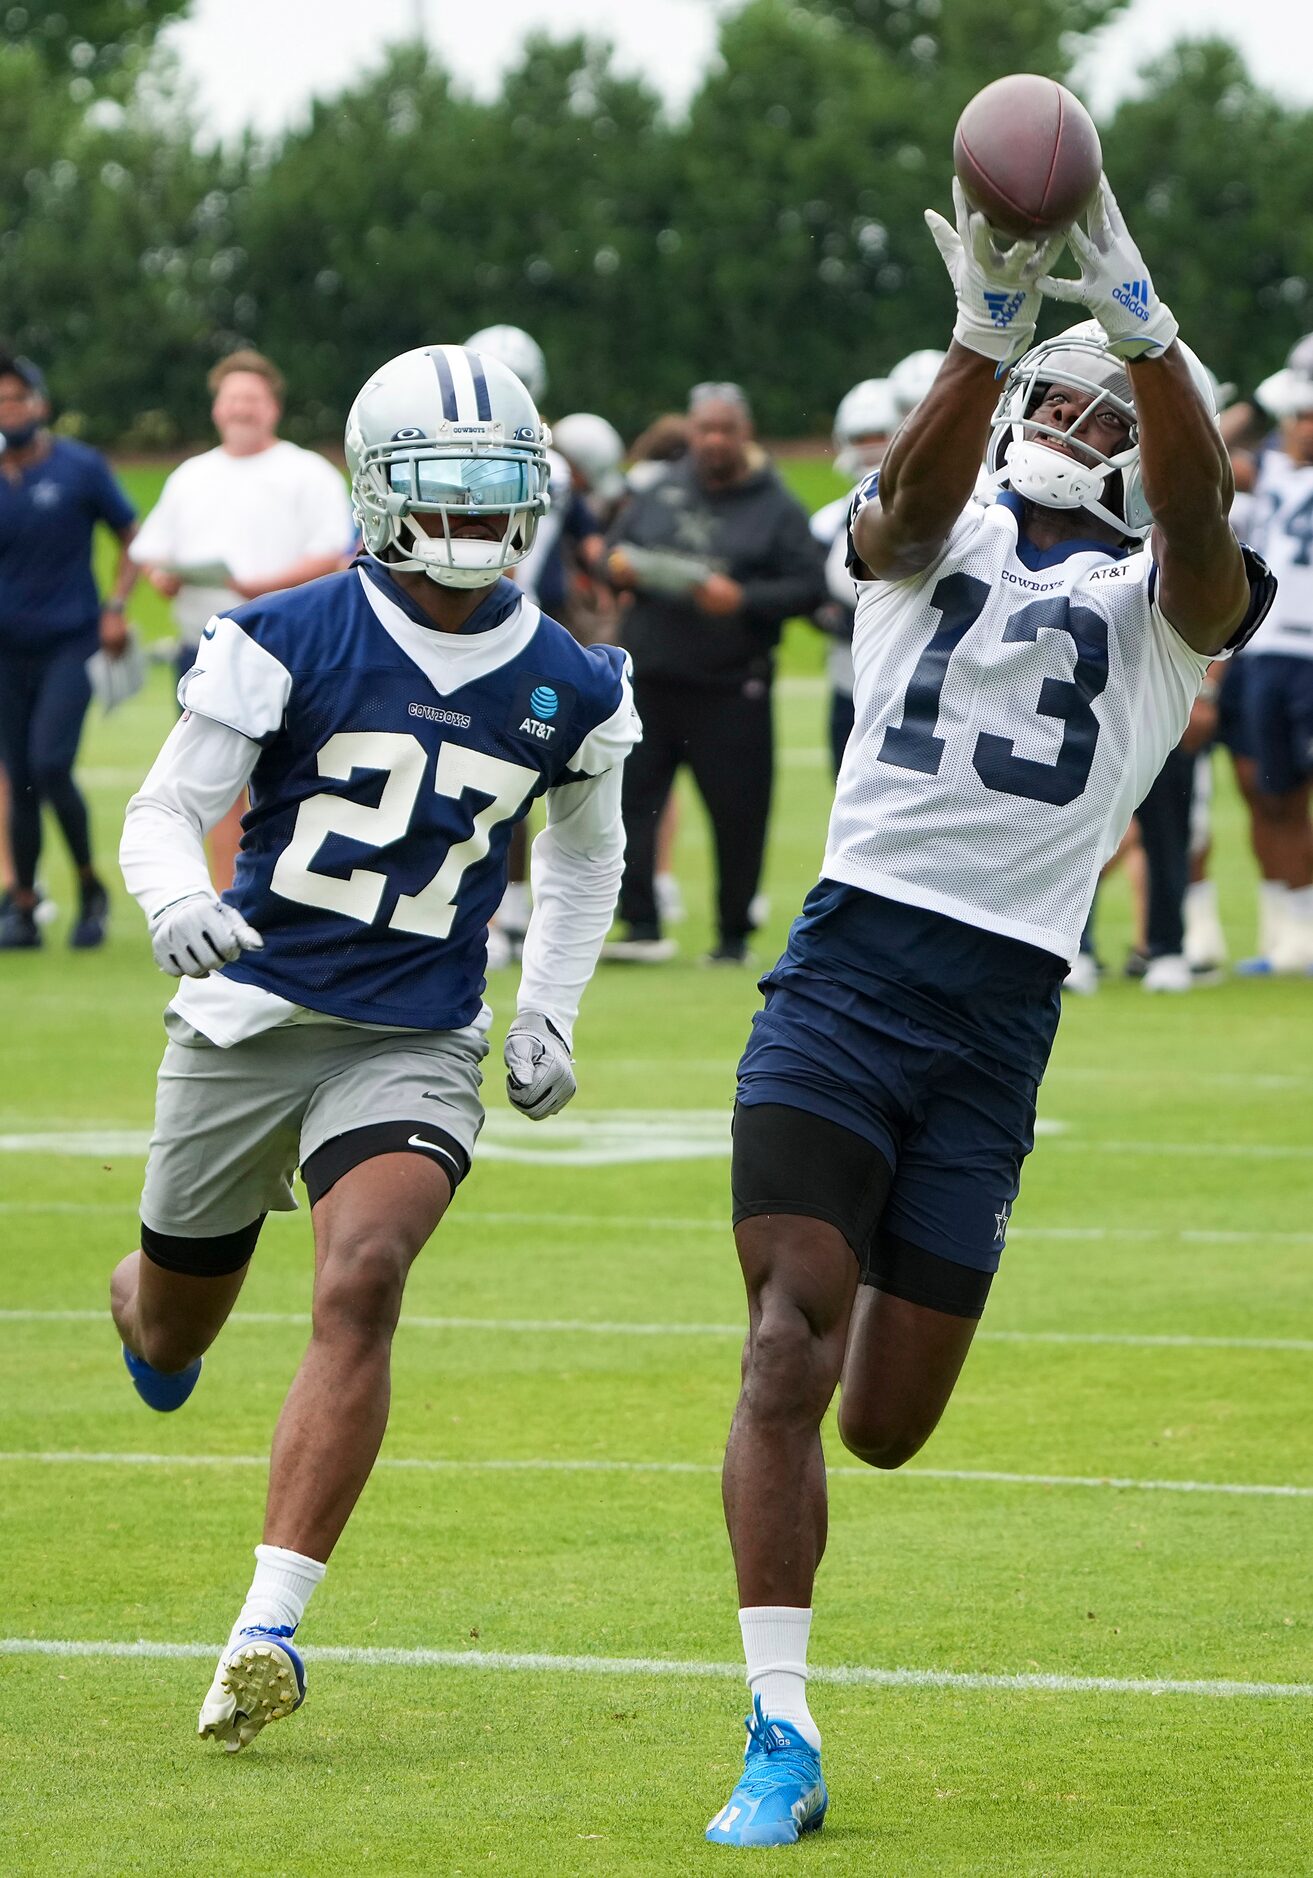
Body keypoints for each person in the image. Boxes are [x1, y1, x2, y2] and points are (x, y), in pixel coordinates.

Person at [705, 178, 1273, 1847]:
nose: (1073, 414)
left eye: (1108, 407)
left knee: (881, 1421)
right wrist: (984, 331)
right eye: (1064, 388)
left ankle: (787, 1687)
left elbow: (1201, 524)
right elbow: (896, 507)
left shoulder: (1170, 614)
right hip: (848, 970)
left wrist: (1140, 324)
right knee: (783, 1329)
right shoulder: (920, 534)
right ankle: (778, 1725)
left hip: (998, 1016)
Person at [112, 343, 637, 1752]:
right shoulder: (283, 635)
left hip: (409, 1031)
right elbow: (164, 812)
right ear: (377, 489)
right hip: (247, 1014)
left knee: (367, 1272)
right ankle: (143, 1302)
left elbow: (587, 862)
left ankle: (266, 1625)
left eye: (495, 489)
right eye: (443, 487)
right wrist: (178, 902)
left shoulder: (569, 679)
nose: (472, 516)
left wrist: (547, 1007)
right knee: (174, 1326)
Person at [603, 382, 826, 964]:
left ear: (744, 433)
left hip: (731, 685)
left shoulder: (775, 505)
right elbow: (613, 551)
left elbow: (809, 586)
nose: (714, 441)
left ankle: (732, 935)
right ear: (691, 431)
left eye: (726, 430)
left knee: (739, 812)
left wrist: (746, 599)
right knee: (631, 805)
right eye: (705, 429)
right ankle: (641, 924)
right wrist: (623, 570)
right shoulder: (661, 491)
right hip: (651, 678)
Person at [129, 350, 356, 891]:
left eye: (251, 399)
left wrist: (260, 589)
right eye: (231, 399)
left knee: (298, 780)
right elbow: (152, 550)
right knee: (214, 784)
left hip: (295, 653)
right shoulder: (192, 475)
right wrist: (165, 576)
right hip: (207, 653)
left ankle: (300, 895)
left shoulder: (305, 472)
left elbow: (333, 554)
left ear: (273, 407)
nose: (241, 409)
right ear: (216, 409)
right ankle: (229, 897)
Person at [0, 350, 139, 950]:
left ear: (39, 404)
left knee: (51, 765)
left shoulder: (79, 467)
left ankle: (90, 886)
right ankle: (25, 905)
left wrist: (116, 607)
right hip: (6, 651)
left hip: (70, 642)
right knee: (20, 774)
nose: (7, 412)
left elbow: (134, 540)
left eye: (14, 399)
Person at [1226, 338, 1313, 973]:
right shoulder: (1274, 470)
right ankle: (1298, 937)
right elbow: (1213, 454)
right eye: (1293, 416)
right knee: (1273, 793)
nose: (1296, 428)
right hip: (1270, 654)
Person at [809, 379, 899, 775]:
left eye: (878, 435)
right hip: (849, 681)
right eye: (860, 437)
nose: (869, 447)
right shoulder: (827, 521)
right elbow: (811, 595)